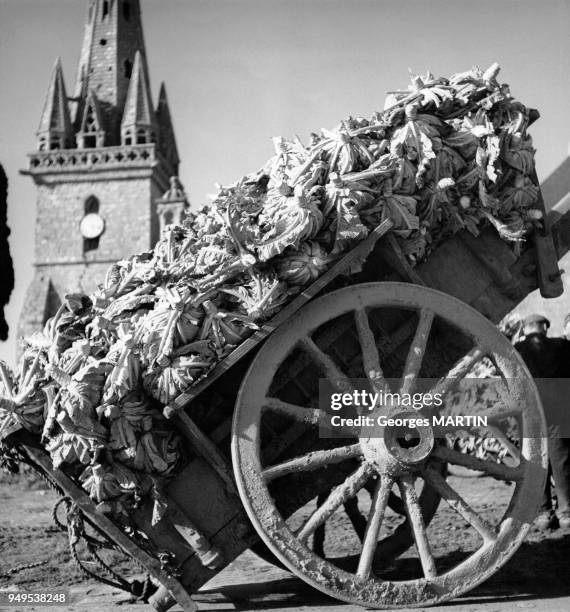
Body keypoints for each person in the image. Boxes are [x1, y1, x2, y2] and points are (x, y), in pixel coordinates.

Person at [515, 314, 570, 530]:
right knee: (562, 461)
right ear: (544, 328)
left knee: (536, 462)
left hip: (530, 412)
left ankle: (543, 513)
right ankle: (566, 513)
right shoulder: (562, 346)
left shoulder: (516, 349)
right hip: (558, 410)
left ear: (525, 329)